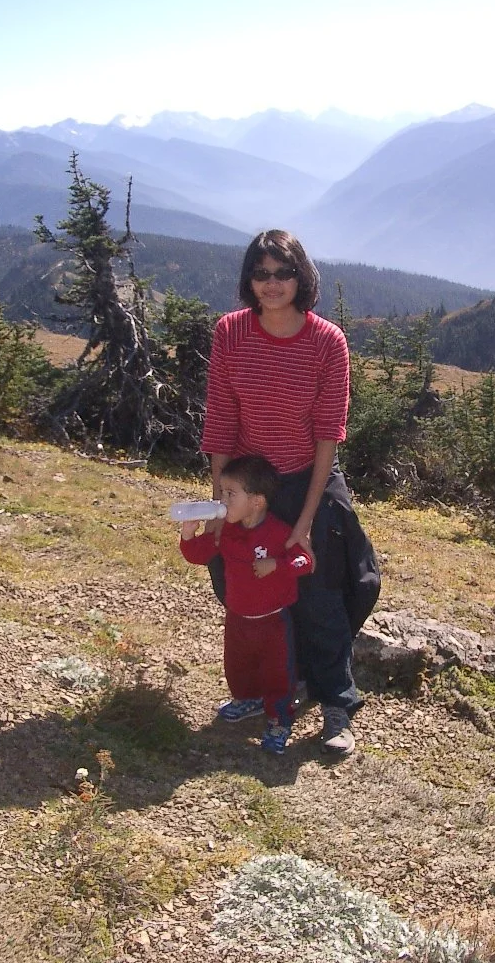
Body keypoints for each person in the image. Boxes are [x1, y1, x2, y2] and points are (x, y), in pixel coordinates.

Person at [201, 229, 380, 757]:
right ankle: (270, 686)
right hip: (248, 480)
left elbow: (329, 434)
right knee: (242, 587)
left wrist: (304, 521)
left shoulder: (328, 342)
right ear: (248, 280)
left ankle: (335, 705)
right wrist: (222, 500)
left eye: (284, 272)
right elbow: (222, 421)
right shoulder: (230, 333)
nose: (273, 283)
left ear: (302, 277)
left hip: (309, 475)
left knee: (320, 588)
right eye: (262, 273)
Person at [179, 454, 313, 755]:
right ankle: (246, 699)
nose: (222, 500)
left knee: (277, 672)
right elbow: (198, 554)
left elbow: (305, 562)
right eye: (222, 493)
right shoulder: (226, 530)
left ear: (256, 501)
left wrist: (276, 565)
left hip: (273, 621)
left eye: (230, 494)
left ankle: (279, 720)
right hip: (237, 617)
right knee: (237, 665)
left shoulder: (279, 532)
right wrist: (188, 535)